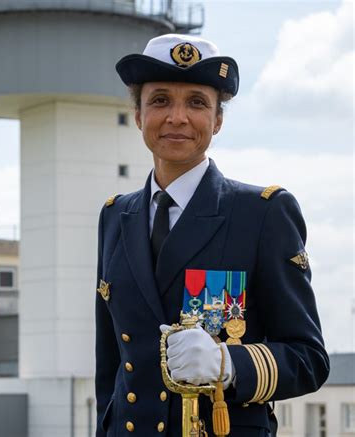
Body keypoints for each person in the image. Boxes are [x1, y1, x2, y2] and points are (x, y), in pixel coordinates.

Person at [94, 34, 329, 437]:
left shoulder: (263, 214)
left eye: (197, 103)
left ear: (218, 120)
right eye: (160, 100)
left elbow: (308, 358)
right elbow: (110, 366)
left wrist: (229, 364)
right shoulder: (117, 216)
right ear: (138, 114)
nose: (177, 117)